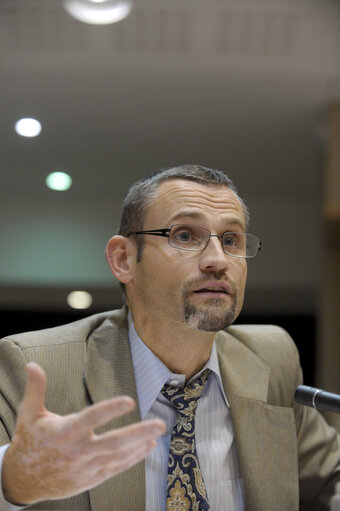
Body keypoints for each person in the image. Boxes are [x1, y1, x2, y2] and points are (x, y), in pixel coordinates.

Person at [0, 164, 339, 511]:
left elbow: (330, 480)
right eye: (185, 236)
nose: (217, 260)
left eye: (230, 240)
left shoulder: (271, 359)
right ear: (124, 260)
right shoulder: (34, 365)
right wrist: (12, 482)